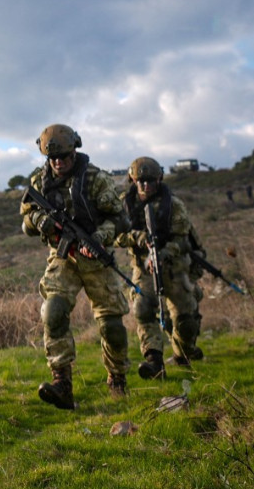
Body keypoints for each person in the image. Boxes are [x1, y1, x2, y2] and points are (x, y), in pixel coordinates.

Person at [19, 124, 131, 409]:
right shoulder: (38, 181)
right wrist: (38, 221)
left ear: (75, 149)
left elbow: (120, 219)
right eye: (52, 158)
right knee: (53, 312)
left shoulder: (95, 179)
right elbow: (26, 220)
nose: (58, 163)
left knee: (112, 326)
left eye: (64, 157)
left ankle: (117, 378)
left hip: (95, 259)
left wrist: (98, 238)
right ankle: (62, 384)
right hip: (62, 257)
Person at [115, 156, 206, 378]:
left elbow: (183, 239)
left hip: (174, 267)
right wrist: (137, 238)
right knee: (143, 310)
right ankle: (154, 362)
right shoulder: (124, 204)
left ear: (159, 179)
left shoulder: (173, 205)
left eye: (150, 181)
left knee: (185, 320)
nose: (145, 186)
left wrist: (165, 252)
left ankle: (182, 353)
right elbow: (115, 235)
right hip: (143, 268)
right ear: (132, 181)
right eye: (140, 181)